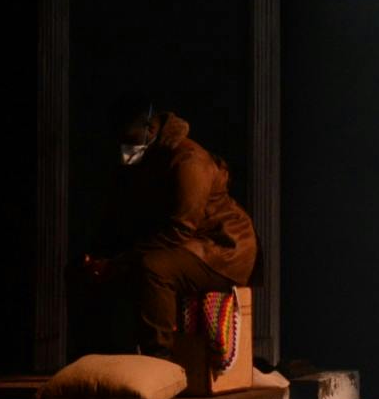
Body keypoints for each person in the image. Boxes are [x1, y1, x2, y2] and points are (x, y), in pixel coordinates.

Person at [81, 101, 257, 357]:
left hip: (222, 250)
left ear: (148, 127)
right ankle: (96, 359)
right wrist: (100, 260)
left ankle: (160, 361)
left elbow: (178, 230)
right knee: (85, 270)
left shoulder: (189, 160)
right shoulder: (149, 158)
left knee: (154, 268)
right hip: (190, 245)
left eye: (128, 138)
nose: (124, 147)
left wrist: (119, 262)